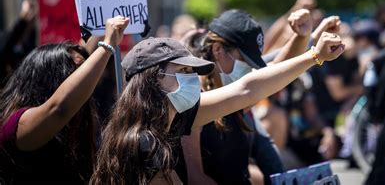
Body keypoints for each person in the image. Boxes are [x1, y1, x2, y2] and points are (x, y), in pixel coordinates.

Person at [91, 29, 344, 184]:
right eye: (183, 70)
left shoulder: (178, 115)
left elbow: (247, 89)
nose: (192, 79)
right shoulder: (143, 143)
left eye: (192, 71)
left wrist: (315, 56)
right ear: (154, 78)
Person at [181, 9, 312, 185]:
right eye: (244, 61)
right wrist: (315, 55)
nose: (249, 70)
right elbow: (194, 177)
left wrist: (302, 36)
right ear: (218, 50)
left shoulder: (239, 96)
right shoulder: (191, 99)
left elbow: (279, 69)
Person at [0, 16, 129, 184]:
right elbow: (59, 108)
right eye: (75, 72)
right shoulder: (15, 124)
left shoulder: (76, 126)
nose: (84, 80)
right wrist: (107, 46)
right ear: (49, 77)